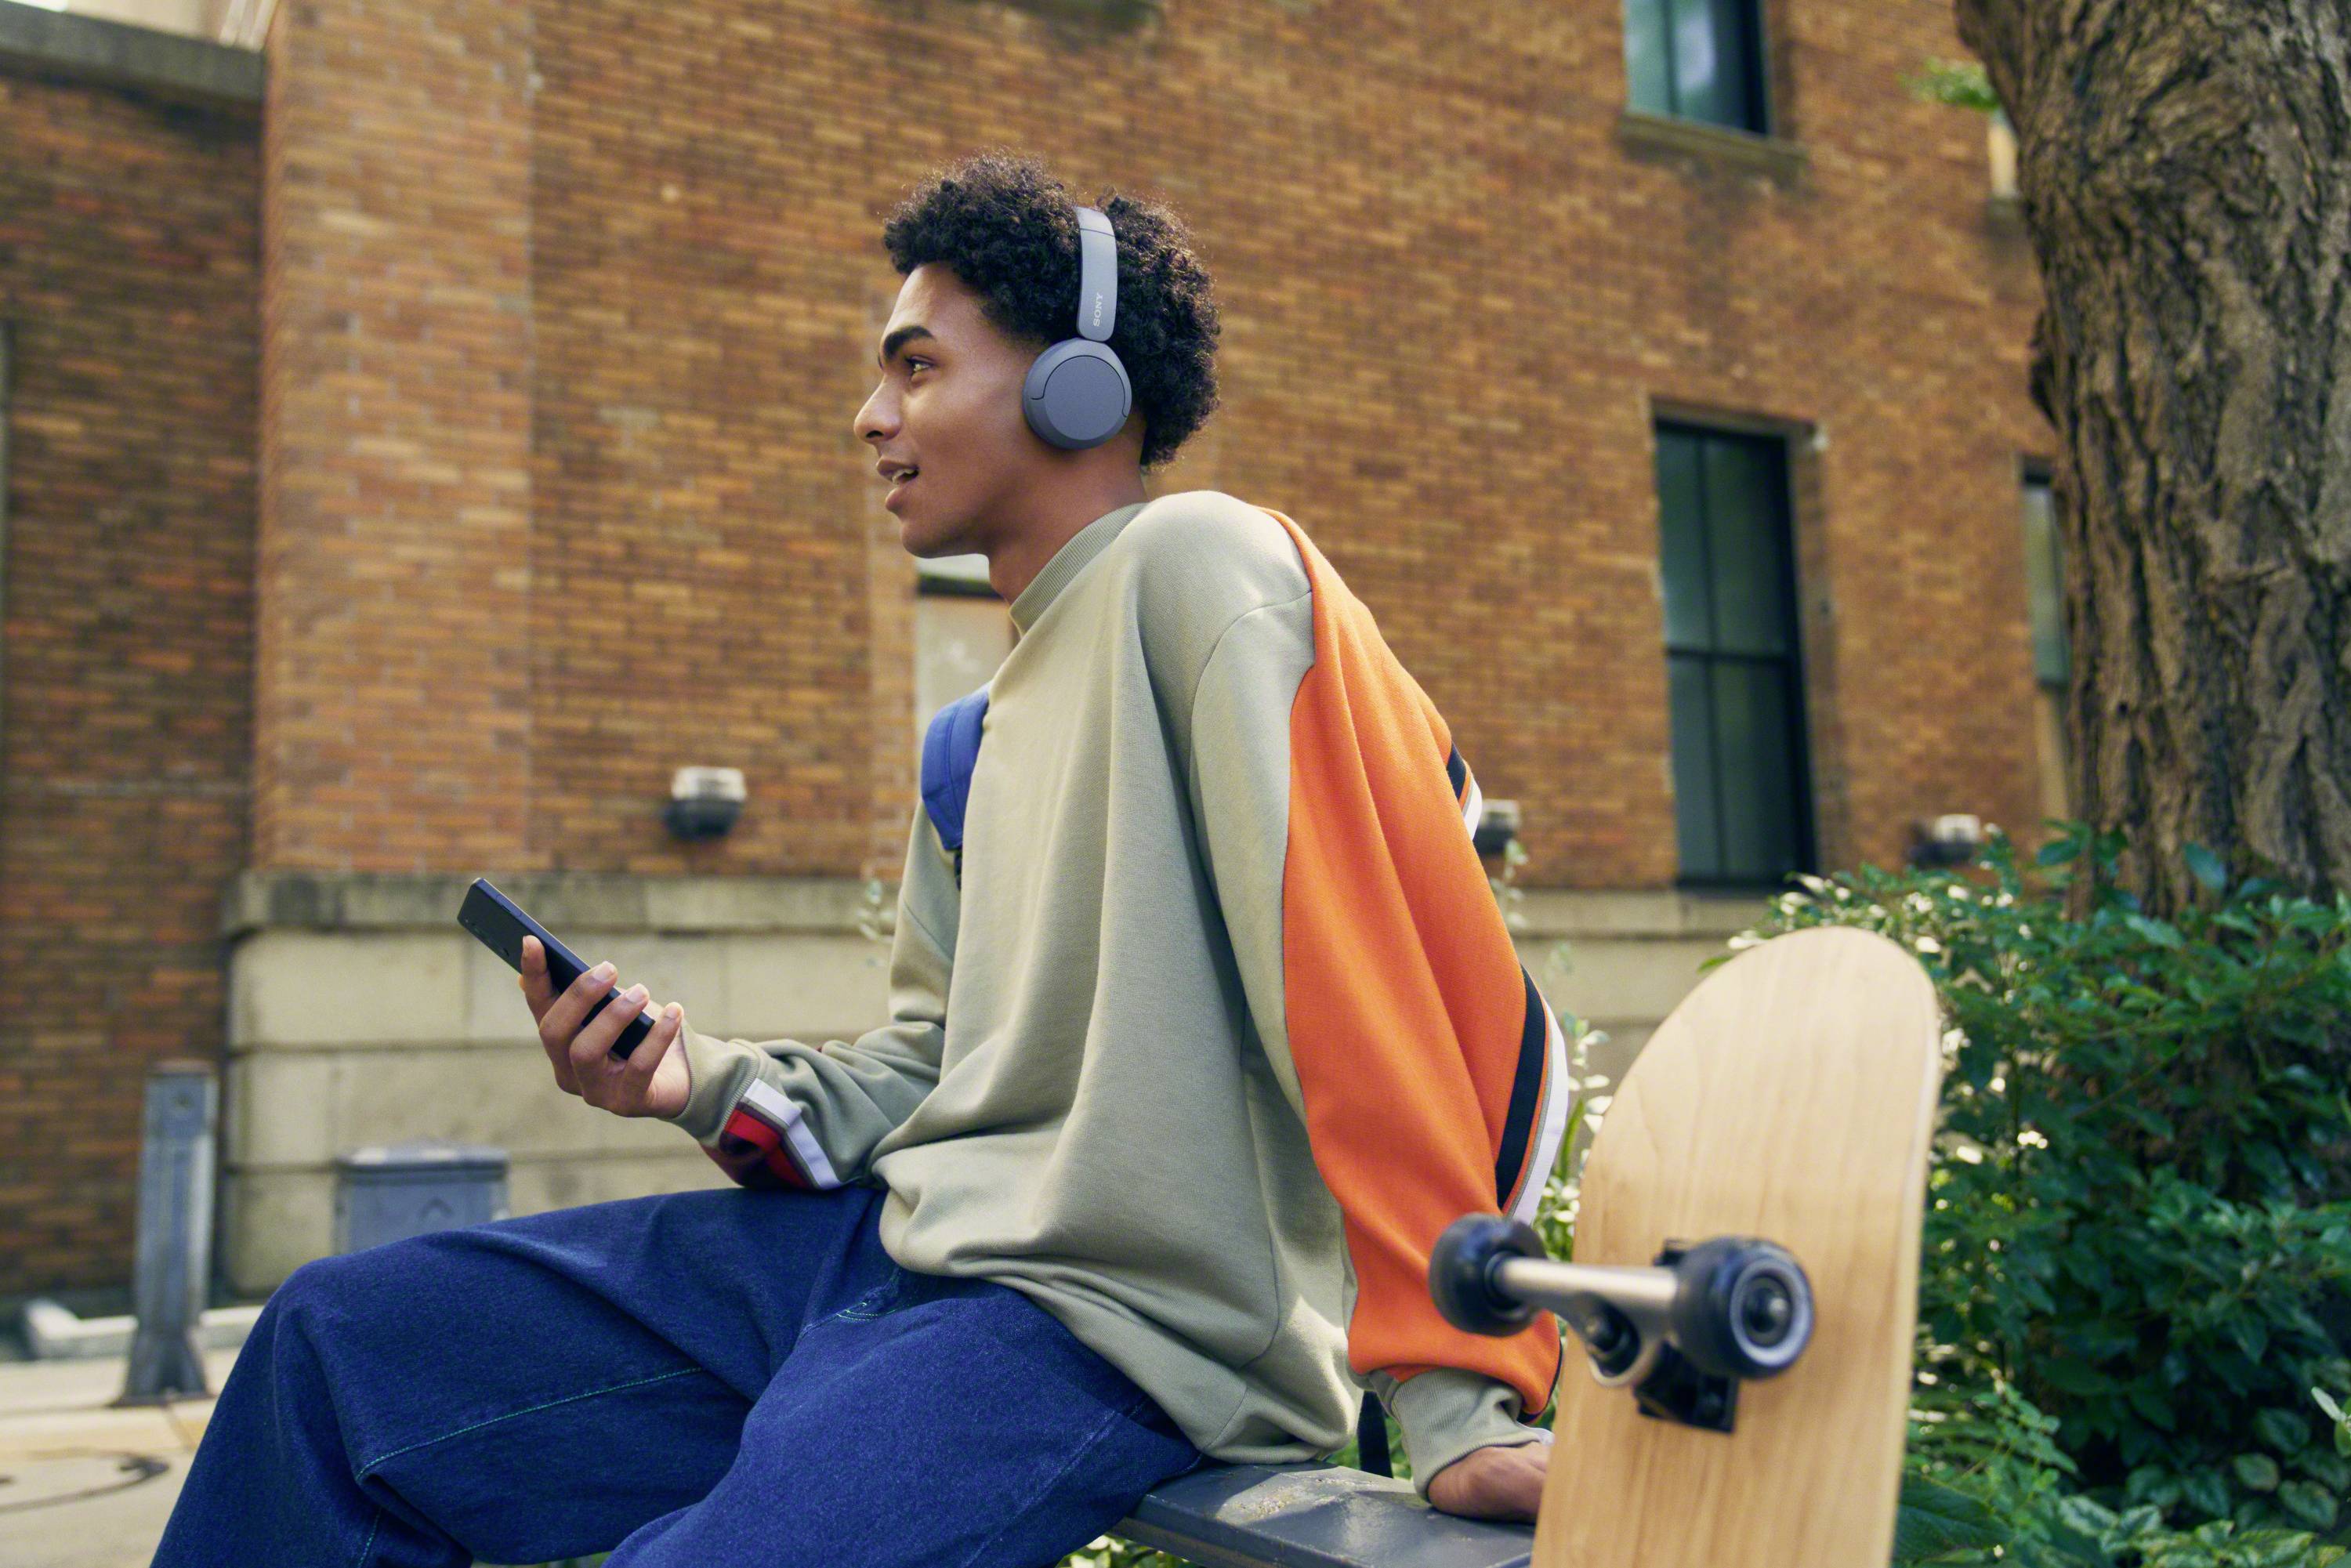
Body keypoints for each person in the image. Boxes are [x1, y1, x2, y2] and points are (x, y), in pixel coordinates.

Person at [154, 149, 1569, 1568]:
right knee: (331, 1356)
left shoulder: (1206, 571)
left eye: (915, 367)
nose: (869, 416)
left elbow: (1368, 975)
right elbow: (930, 1072)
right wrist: (690, 1078)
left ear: (1079, 386)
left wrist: (1459, 1399)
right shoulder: (974, 737)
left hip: (1102, 1322)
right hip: (882, 1260)